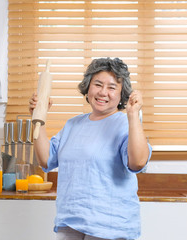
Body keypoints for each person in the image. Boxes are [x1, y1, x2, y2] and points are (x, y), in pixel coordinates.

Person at [29, 57, 152, 240]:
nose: (103, 92)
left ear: (121, 94)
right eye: (98, 84)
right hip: (70, 221)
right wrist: (38, 116)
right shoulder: (73, 124)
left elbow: (137, 162)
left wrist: (133, 116)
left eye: (111, 87)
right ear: (88, 87)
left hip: (110, 226)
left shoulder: (125, 124)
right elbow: (46, 159)